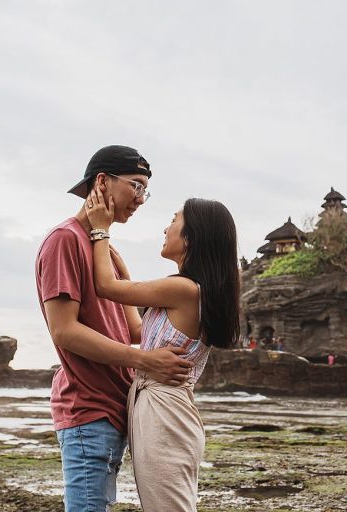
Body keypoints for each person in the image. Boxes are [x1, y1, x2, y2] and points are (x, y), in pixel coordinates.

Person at [35, 145, 194, 512]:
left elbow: (131, 329)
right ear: (103, 181)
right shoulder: (64, 240)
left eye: (145, 191)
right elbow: (64, 331)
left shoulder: (102, 247)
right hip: (88, 407)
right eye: (136, 185)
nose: (140, 199)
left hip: (115, 408)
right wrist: (146, 361)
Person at [85, 186, 240, 512]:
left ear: (191, 237)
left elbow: (104, 287)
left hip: (164, 411)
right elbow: (137, 331)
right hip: (160, 407)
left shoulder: (183, 289)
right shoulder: (190, 291)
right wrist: (126, 277)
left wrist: (101, 229)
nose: (166, 228)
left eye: (174, 220)